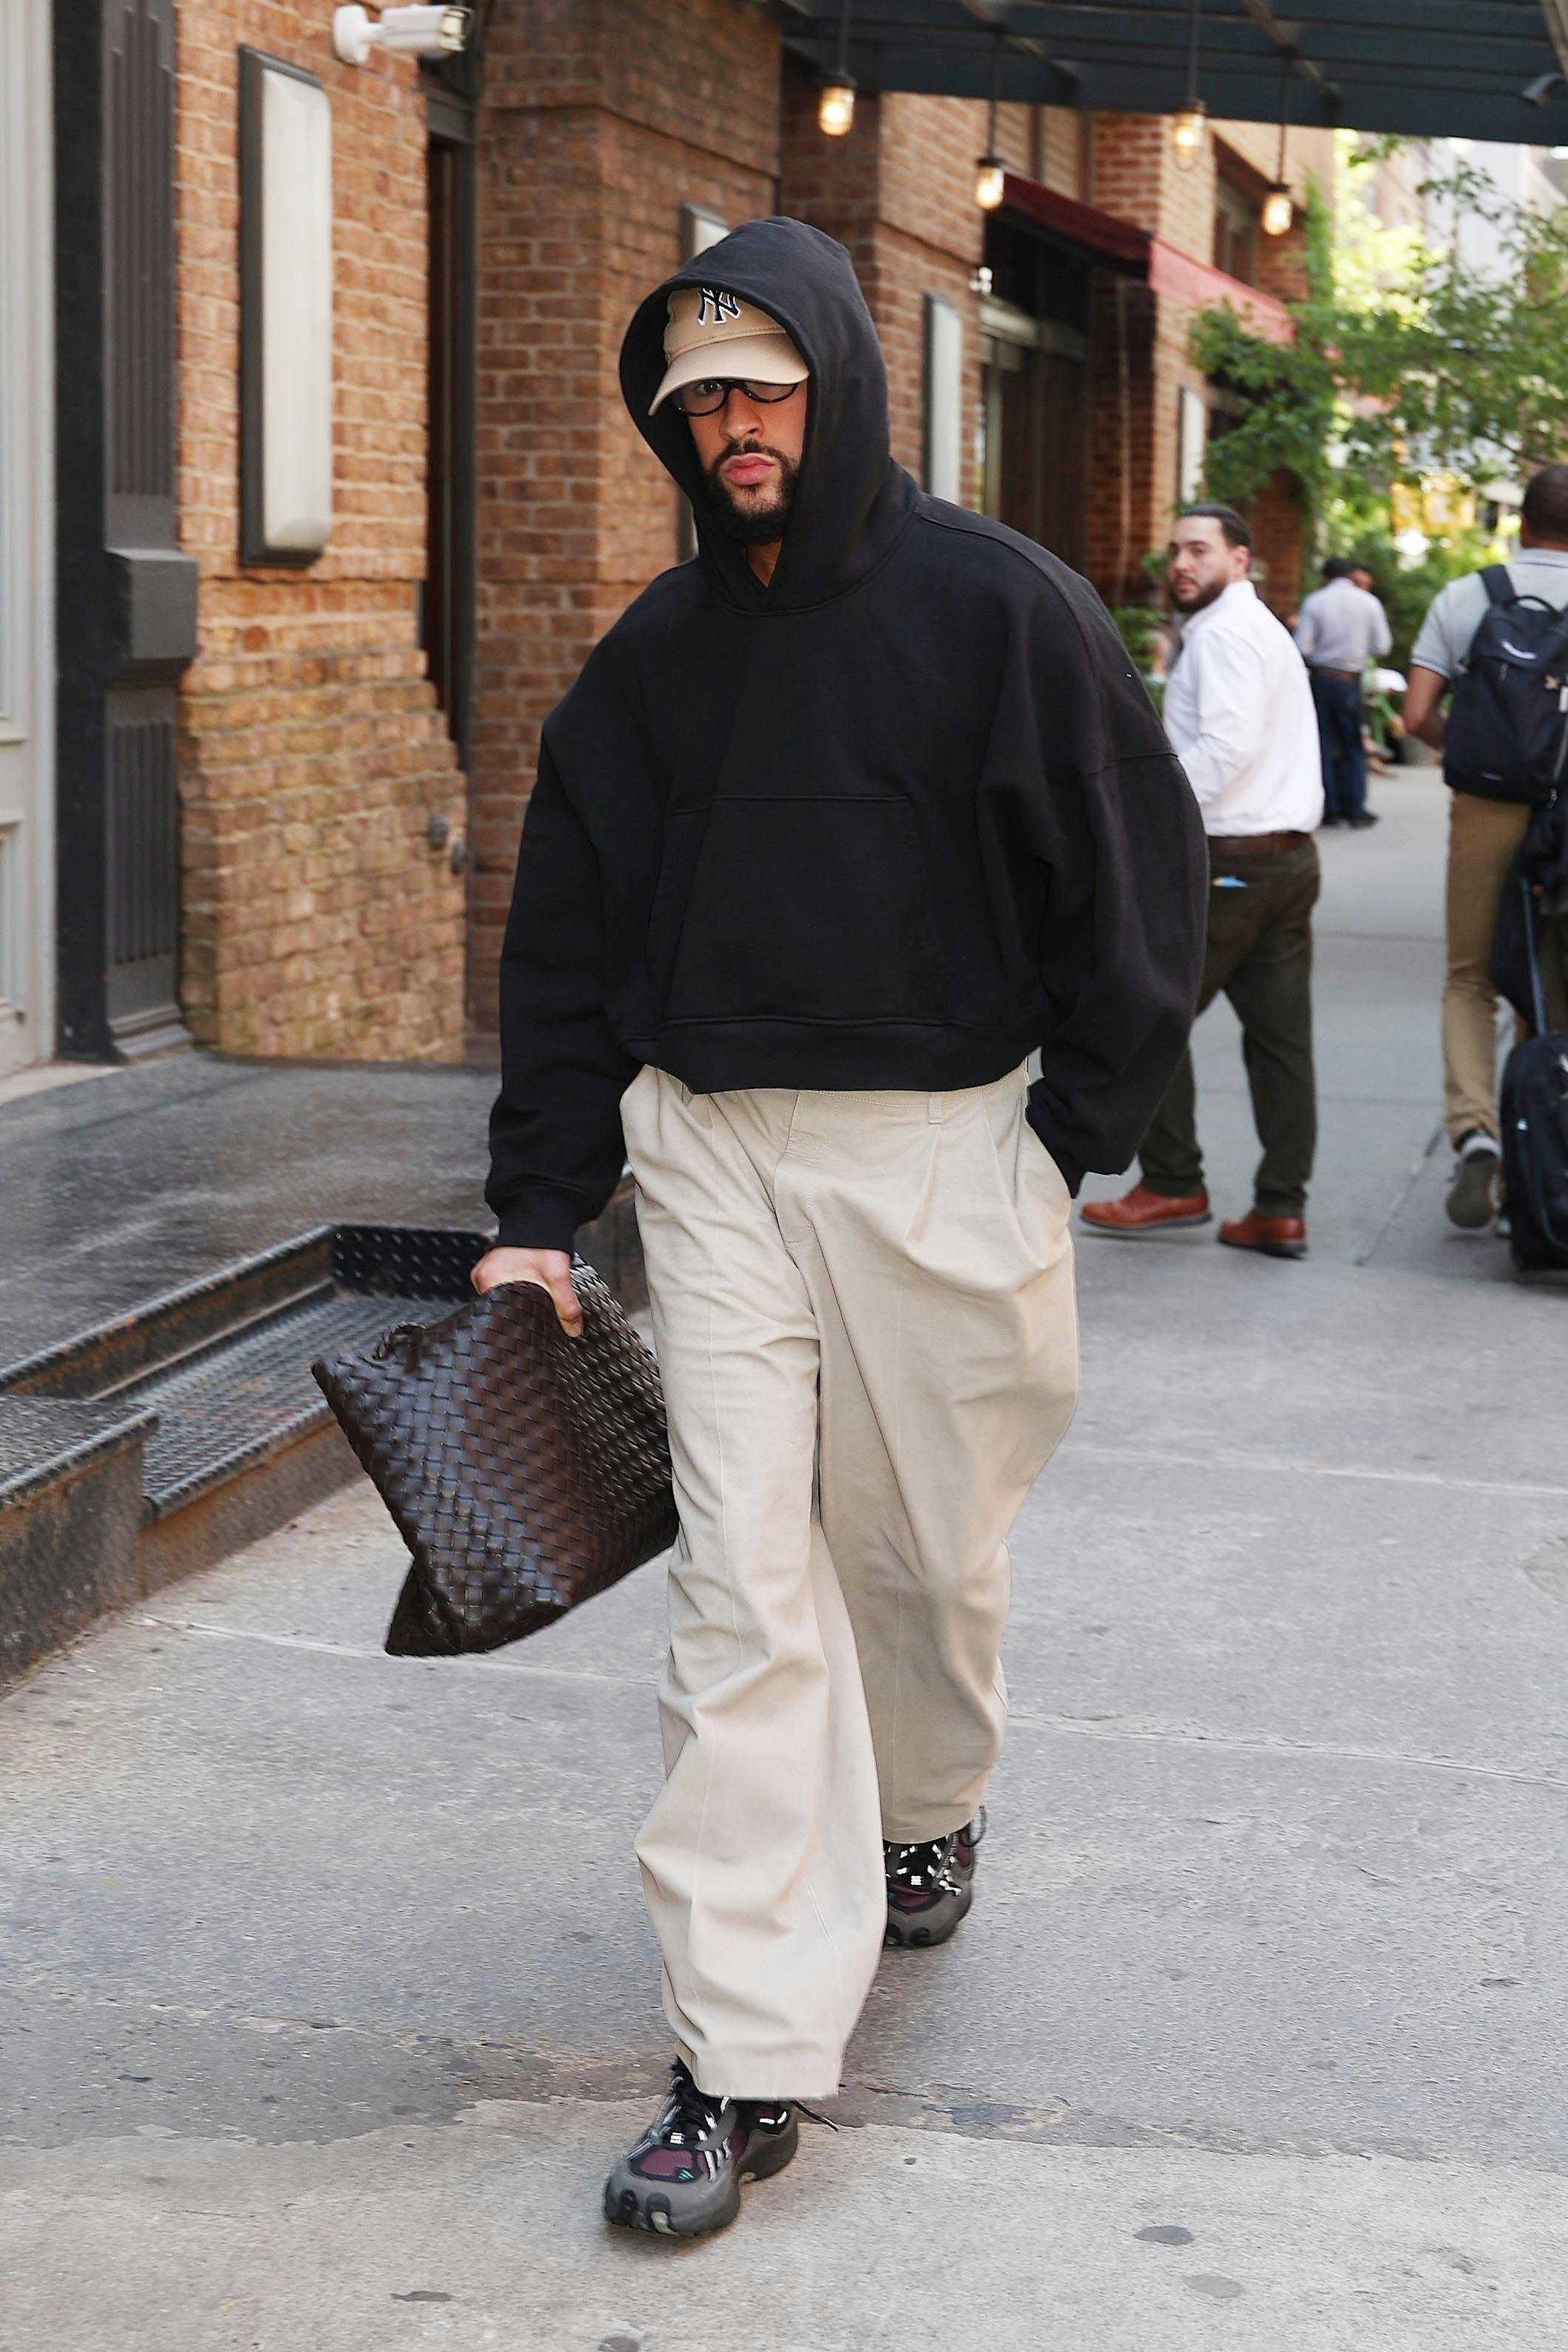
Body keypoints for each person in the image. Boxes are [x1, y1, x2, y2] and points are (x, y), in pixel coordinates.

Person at [470, 217, 1207, 2240]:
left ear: (838, 383)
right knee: (744, 1595)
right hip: (710, 1155)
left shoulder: (1000, 612)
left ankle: (930, 1804)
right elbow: (564, 951)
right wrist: (541, 1204)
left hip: (946, 1155)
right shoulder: (650, 662)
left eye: (761, 383)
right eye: (697, 395)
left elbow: (1140, 887)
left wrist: (1066, 1138)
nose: (730, 424)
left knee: (918, 1559)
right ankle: (738, 2046)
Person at [1083, 505, 1323, 1259]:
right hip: (1285, 861)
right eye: (1175, 552)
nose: (1181, 565)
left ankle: (1172, 1181)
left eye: (1198, 550)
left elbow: (1224, 747)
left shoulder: (1223, 637)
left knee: (1144, 1016)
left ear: (1240, 560)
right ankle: (1280, 1209)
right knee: (1280, 1044)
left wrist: (1141, 814)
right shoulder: (1254, 631)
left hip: (1231, 863)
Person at [1404, 464, 1568, 1229]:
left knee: (1469, 978)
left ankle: (1474, 1130)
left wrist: (1473, 752)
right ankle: (1537, 1156)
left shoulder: (1465, 596)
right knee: (1550, 990)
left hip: (1484, 805)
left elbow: (1413, 716)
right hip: (1565, 815)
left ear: (1520, 522)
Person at [1295, 555, 1391, 828]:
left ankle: (1330, 807)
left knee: (1322, 744)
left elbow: (1303, 647)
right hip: (1350, 679)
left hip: (1323, 678)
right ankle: (1355, 807)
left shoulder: (1315, 602)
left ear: (1325, 577)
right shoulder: (1368, 603)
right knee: (1353, 745)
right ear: (1350, 575)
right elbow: (1382, 646)